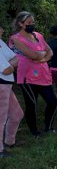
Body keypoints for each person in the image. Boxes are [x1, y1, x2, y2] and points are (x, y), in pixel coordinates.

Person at [9, 11, 57, 137]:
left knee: (53, 102)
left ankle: (49, 127)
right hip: (27, 77)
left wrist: (42, 58)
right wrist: (41, 54)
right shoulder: (16, 39)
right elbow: (33, 55)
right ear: (21, 24)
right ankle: (34, 131)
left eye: (33, 22)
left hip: (43, 75)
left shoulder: (38, 35)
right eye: (29, 23)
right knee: (32, 104)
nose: (32, 25)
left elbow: (50, 51)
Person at [0, 28, 23, 157]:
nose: (2, 30)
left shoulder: (1, 43)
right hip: (1, 84)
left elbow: (16, 59)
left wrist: (10, 64)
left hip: (6, 84)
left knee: (17, 114)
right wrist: (10, 64)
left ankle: (9, 142)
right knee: (0, 119)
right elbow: (7, 70)